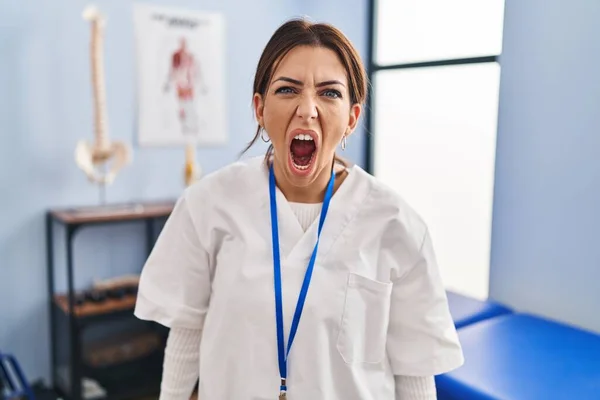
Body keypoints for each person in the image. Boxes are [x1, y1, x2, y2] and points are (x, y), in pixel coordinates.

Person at [135, 18, 464, 400]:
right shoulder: (208, 205)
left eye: (330, 94)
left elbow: (414, 373)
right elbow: (187, 331)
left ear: (352, 118)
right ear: (260, 108)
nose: (307, 110)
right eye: (288, 89)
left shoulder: (396, 225)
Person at [163, 37, 206, 135]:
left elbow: (197, 71)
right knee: (182, 106)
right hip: (180, 85)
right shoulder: (175, 57)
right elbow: (172, 71)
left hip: (189, 86)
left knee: (190, 105)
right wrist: (168, 83)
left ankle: (193, 125)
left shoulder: (190, 57)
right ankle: (184, 126)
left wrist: (202, 84)